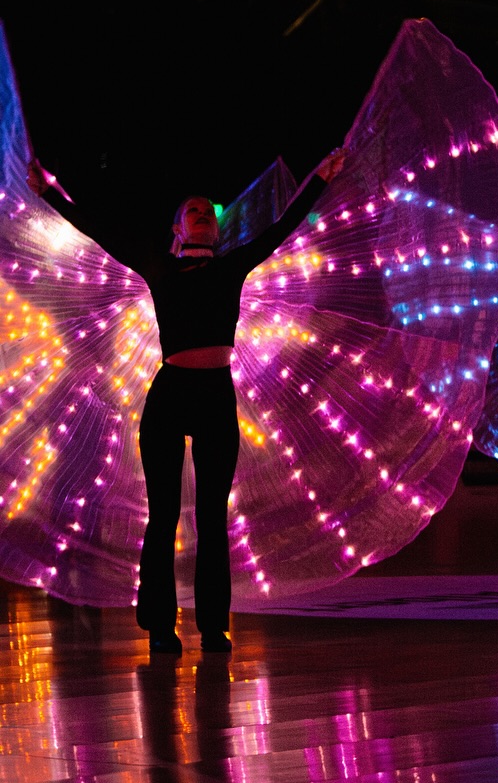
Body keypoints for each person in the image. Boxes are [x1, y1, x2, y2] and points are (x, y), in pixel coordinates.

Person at [27, 148, 345, 654]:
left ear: (216, 231)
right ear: (177, 229)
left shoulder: (233, 266)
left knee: (213, 517)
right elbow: (98, 230)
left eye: (207, 212)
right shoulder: (160, 268)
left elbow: (284, 226)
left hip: (216, 396)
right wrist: (50, 192)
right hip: (171, 396)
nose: (201, 215)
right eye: (191, 211)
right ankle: (160, 625)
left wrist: (320, 179)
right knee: (164, 514)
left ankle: (214, 626)